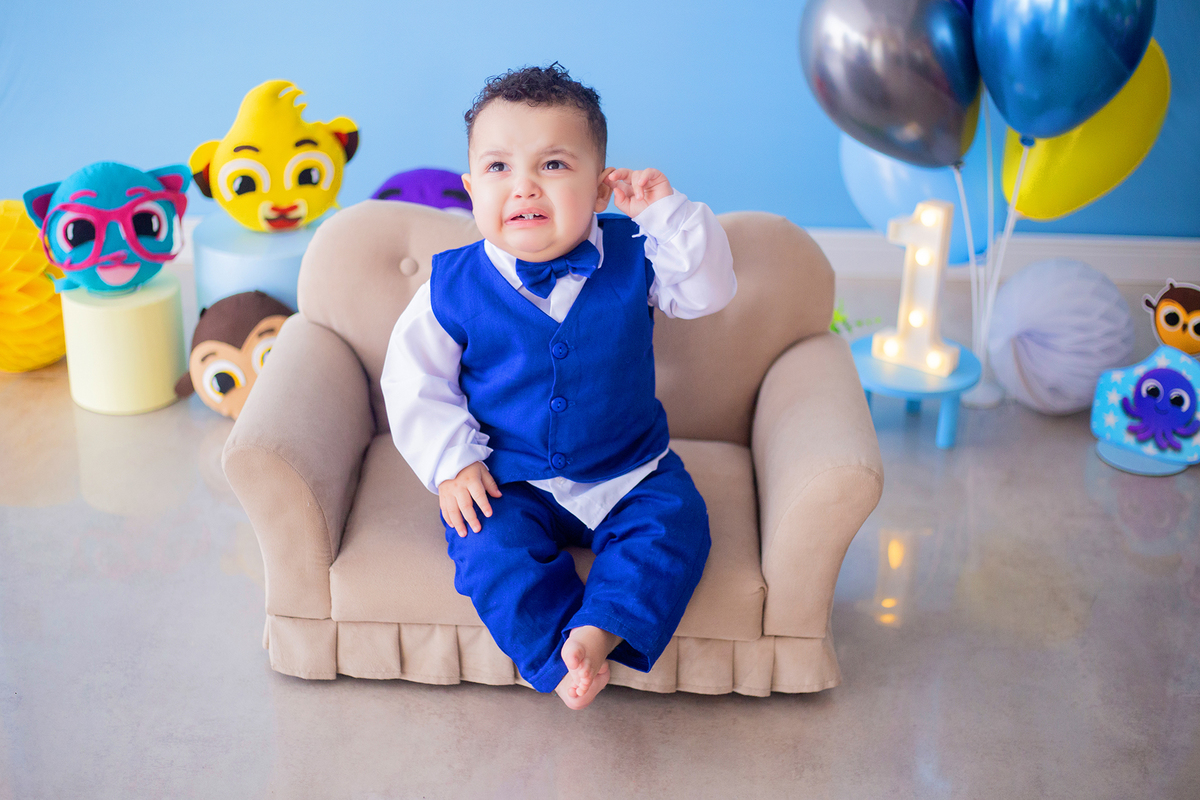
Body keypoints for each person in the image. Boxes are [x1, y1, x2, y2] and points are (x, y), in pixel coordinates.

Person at [381, 63, 736, 709]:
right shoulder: (450, 286)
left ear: (601, 188)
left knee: (677, 528)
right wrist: (453, 463)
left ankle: (600, 629)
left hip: (629, 467)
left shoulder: (639, 251)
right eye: (498, 169)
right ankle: (557, 651)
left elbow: (708, 291)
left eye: (552, 166)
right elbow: (414, 380)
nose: (524, 187)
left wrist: (666, 213)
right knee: (487, 548)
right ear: (469, 188)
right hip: (509, 476)